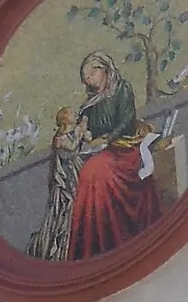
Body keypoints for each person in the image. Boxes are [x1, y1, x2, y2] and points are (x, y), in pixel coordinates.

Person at [65, 52, 163, 259]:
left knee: (99, 173)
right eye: (86, 77)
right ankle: (98, 242)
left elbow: (127, 119)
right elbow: (89, 128)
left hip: (125, 146)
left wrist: (108, 138)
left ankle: (117, 231)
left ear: (103, 70)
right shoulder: (91, 103)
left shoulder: (122, 89)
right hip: (103, 150)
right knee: (88, 174)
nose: (89, 80)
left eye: (91, 74)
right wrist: (87, 133)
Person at [28, 107, 84, 263]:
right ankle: (64, 245)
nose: (76, 115)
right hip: (66, 178)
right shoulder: (60, 138)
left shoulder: (68, 134)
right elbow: (72, 147)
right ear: (65, 120)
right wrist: (81, 130)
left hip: (73, 169)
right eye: (73, 114)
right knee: (68, 207)